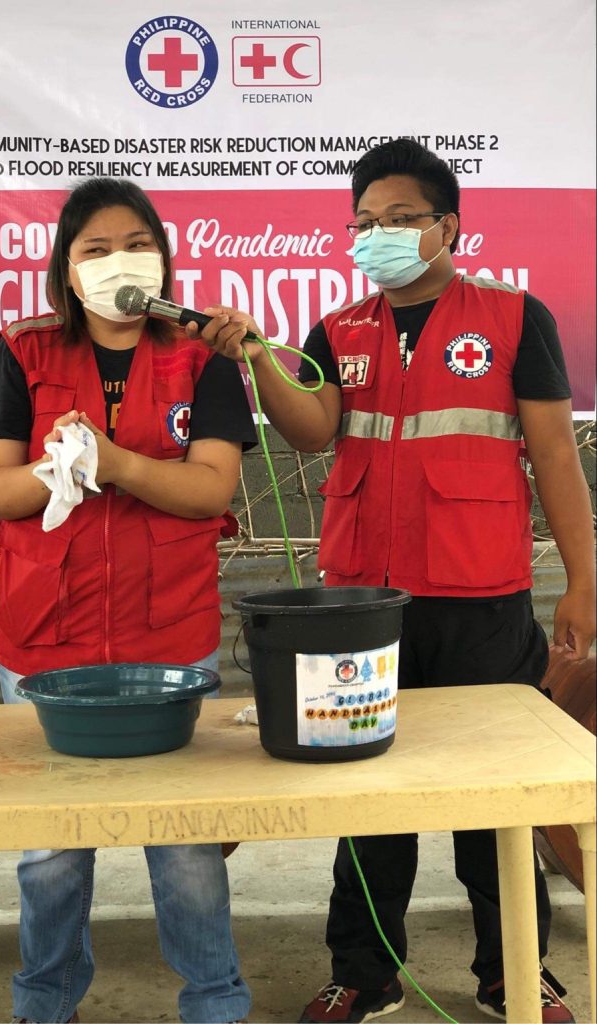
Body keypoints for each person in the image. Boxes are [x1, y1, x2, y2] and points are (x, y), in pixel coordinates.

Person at [189, 139, 595, 1024]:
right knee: (367, 796)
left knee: (499, 800)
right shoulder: (340, 330)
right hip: (362, 609)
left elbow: (556, 454)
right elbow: (309, 430)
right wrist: (259, 353)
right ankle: (365, 972)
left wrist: (582, 580)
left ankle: (514, 971)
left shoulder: (516, 317)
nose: (379, 235)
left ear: (449, 226)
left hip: (482, 599)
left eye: (402, 219)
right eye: (364, 223)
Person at [0, 177, 256, 1024]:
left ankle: (215, 1000)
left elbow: (211, 489)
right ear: (66, 271)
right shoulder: (24, 351)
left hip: (169, 638)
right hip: (44, 637)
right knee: (52, 848)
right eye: (94, 249)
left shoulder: (202, 355)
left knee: (188, 845)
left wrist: (117, 464)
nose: (116, 262)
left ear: (164, 260)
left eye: (136, 244)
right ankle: (45, 1000)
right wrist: (52, 471)